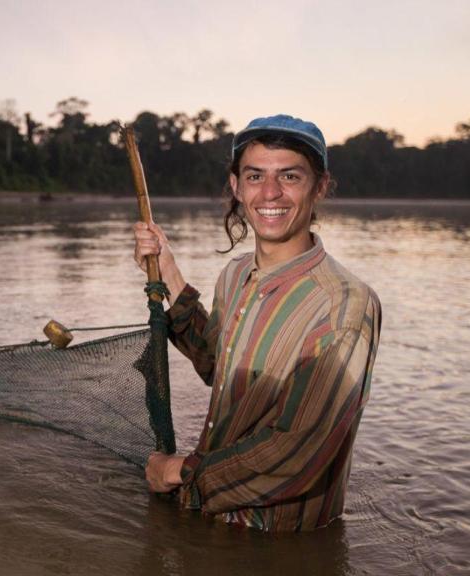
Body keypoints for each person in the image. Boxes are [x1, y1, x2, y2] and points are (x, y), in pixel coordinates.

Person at [133, 114, 382, 531]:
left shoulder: (344, 304)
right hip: (214, 525)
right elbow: (217, 363)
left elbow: (297, 452)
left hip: (281, 540)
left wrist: (182, 473)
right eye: (254, 176)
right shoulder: (234, 276)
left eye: (289, 176)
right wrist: (166, 269)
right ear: (236, 186)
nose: (270, 193)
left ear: (320, 186)